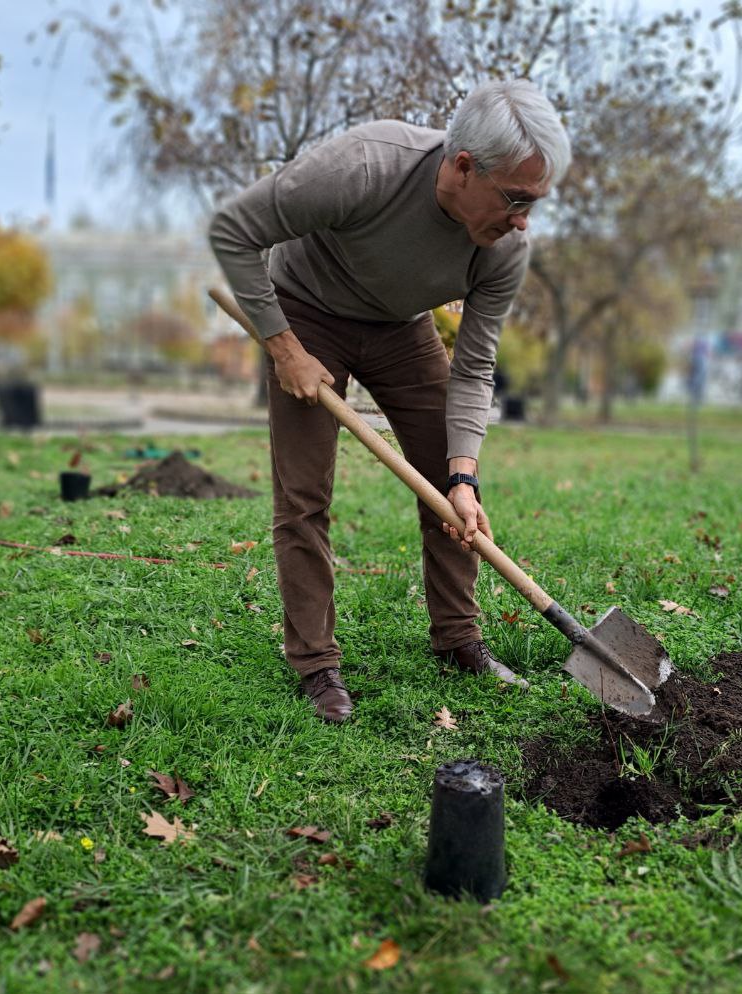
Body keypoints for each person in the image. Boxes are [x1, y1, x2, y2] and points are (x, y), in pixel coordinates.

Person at [208, 80, 570, 723]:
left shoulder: (507, 247)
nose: (522, 221)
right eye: (515, 199)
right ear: (463, 167)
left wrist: (464, 474)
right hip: (306, 314)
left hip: (402, 328)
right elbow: (233, 231)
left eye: (534, 204)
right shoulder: (363, 167)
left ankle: (459, 639)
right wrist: (285, 348)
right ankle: (316, 663)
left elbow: (476, 365)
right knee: (304, 496)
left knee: (452, 493)